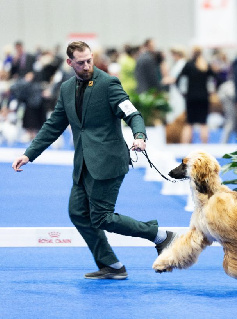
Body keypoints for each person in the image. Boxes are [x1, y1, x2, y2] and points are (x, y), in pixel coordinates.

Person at [11, 41, 176, 280]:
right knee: (78, 213)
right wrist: (29, 154)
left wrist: (139, 136)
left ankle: (160, 235)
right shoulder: (66, 88)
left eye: (89, 59)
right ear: (70, 63)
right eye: (81, 62)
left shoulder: (109, 83)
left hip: (109, 162)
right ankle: (111, 264)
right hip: (84, 165)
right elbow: (53, 125)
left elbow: (132, 113)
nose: (87, 65)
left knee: (101, 217)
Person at [176, 46, 216, 143]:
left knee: (189, 123)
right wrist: (212, 91)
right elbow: (216, 78)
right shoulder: (206, 65)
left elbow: (178, 80)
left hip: (190, 97)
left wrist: (183, 93)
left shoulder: (188, 65)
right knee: (204, 123)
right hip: (203, 97)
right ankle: (204, 146)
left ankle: (185, 147)